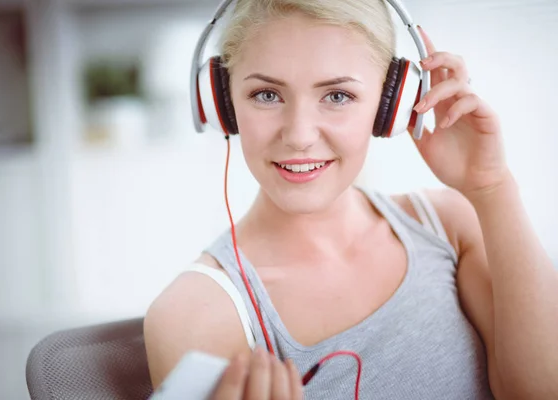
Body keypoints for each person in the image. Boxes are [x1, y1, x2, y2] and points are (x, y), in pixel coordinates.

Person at [144, 0, 558, 399]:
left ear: (391, 106)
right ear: (222, 102)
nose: (300, 135)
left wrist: (492, 187)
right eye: (267, 95)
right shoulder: (194, 314)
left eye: (337, 96)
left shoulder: (449, 227)